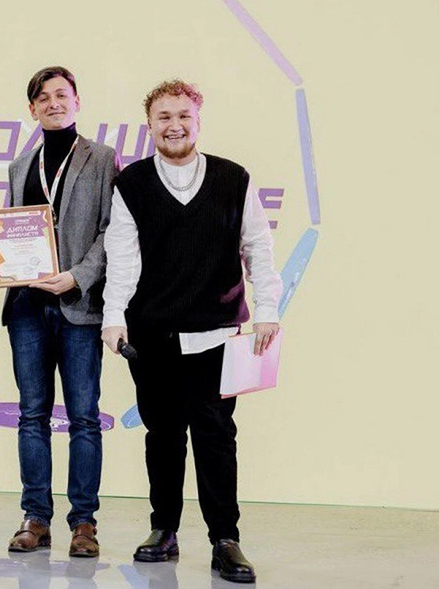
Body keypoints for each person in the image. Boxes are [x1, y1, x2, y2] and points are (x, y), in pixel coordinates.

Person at [102, 79, 282, 583]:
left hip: (217, 334)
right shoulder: (132, 183)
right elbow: (122, 257)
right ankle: (164, 529)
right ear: (150, 124)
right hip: (151, 336)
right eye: (164, 116)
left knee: (216, 437)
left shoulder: (234, 178)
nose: (174, 125)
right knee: (162, 437)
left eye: (183, 115)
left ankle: (225, 539)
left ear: (198, 121)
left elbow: (257, 247)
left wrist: (267, 310)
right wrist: (114, 318)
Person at [0, 66, 118, 558]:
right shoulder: (21, 165)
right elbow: (22, 228)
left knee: (84, 418)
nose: (53, 103)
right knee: (31, 416)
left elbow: (112, 230)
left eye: (61, 95)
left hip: (79, 305)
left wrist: (79, 275)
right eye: (43, 97)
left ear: (76, 101)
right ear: (32, 109)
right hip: (27, 308)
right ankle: (35, 517)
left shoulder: (102, 157)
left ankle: (84, 523)